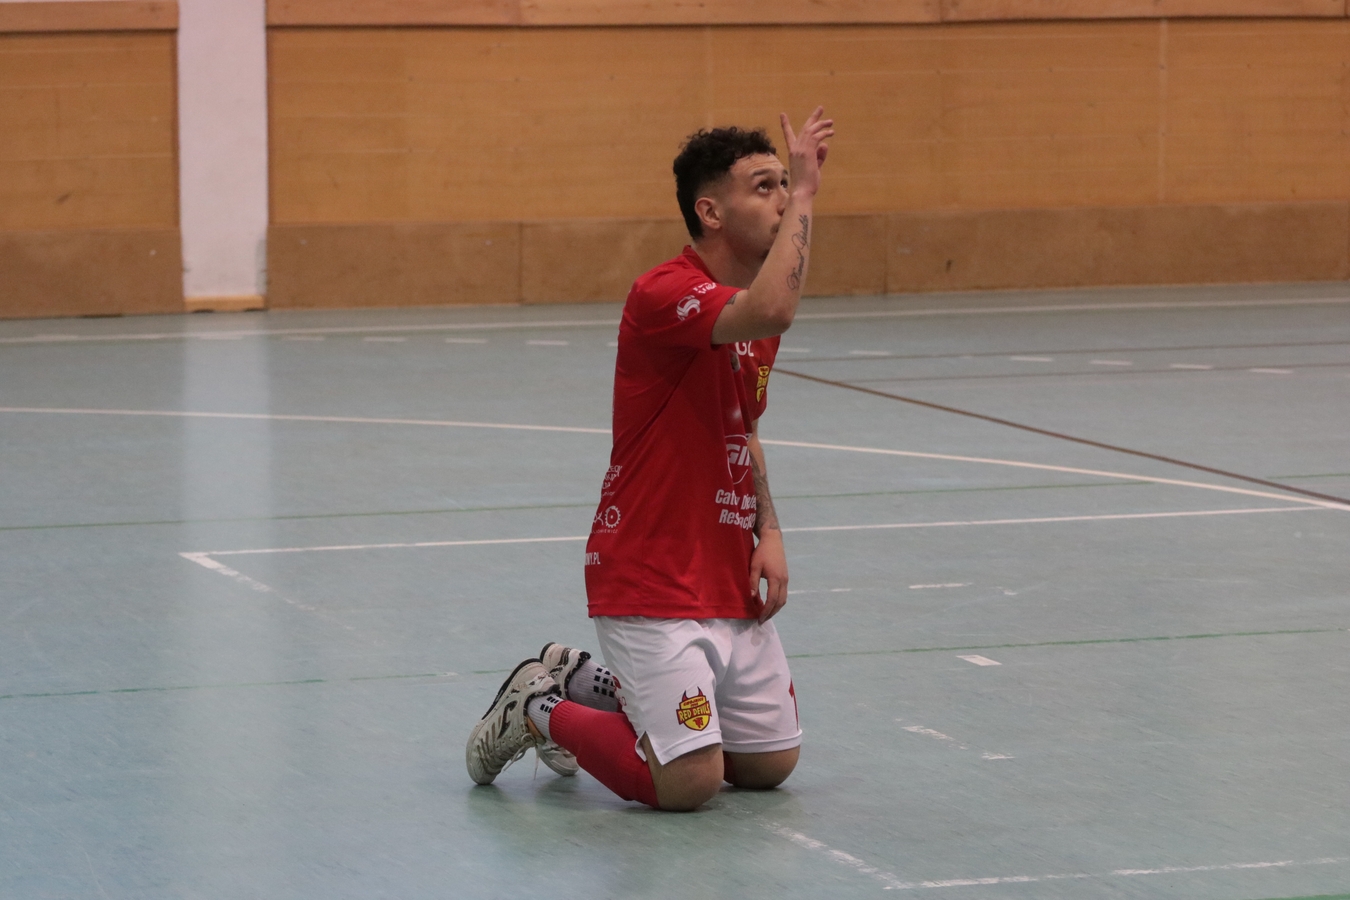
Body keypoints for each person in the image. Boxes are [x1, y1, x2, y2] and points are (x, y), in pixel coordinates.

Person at [466, 108, 834, 811]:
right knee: (690, 782)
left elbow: (745, 431)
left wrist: (770, 532)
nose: (784, 199)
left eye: (787, 185)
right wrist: (811, 194)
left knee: (767, 764)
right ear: (710, 212)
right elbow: (775, 308)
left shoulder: (751, 318)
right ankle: (537, 707)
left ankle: (583, 679)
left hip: (724, 571)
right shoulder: (664, 292)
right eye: (765, 187)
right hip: (651, 576)